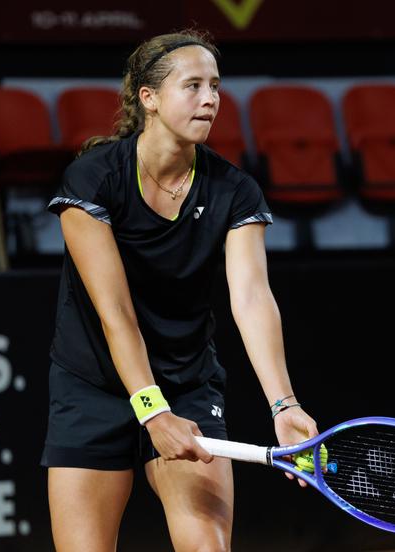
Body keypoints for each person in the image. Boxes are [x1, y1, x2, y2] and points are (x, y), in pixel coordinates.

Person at [40, 29, 319, 552]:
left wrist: (284, 404)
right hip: (92, 385)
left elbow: (252, 298)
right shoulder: (93, 180)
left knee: (206, 548)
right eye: (192, 85)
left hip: (187, 382)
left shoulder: (234, 190)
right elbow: (115, 310)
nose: (210, 98)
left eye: (215, 85)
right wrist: (149, 408)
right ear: (149, 98)